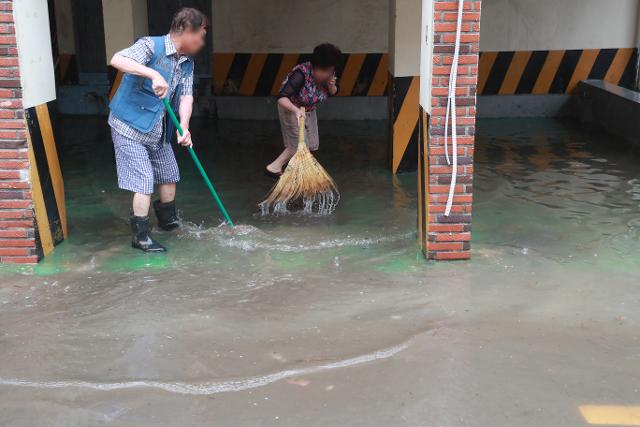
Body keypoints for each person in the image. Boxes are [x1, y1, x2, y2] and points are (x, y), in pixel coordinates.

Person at [108, 8, 208, 253]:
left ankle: (168, 221)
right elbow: (117, 59)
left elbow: (186, 97)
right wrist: (152, 73)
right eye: (200, 36)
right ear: (186, 31)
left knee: (169, 173)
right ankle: (140, 236)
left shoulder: (187, 63)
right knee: (144, 179)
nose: (202, 42)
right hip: (128, 125)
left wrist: (183, 127)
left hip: (156, 129)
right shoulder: (150, 46)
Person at [265, 43, 342, 178]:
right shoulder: (301, 74)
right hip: (291, 108)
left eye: (330, 71)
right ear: (315, 67)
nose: (327, 75)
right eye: (325, 72)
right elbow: (281, 98)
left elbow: (334, 92)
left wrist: (332, 86)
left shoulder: (329, 72)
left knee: (311, 145)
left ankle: (299, 173)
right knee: (298, 145)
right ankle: (274, 168)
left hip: (309, 109)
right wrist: (295, 111)